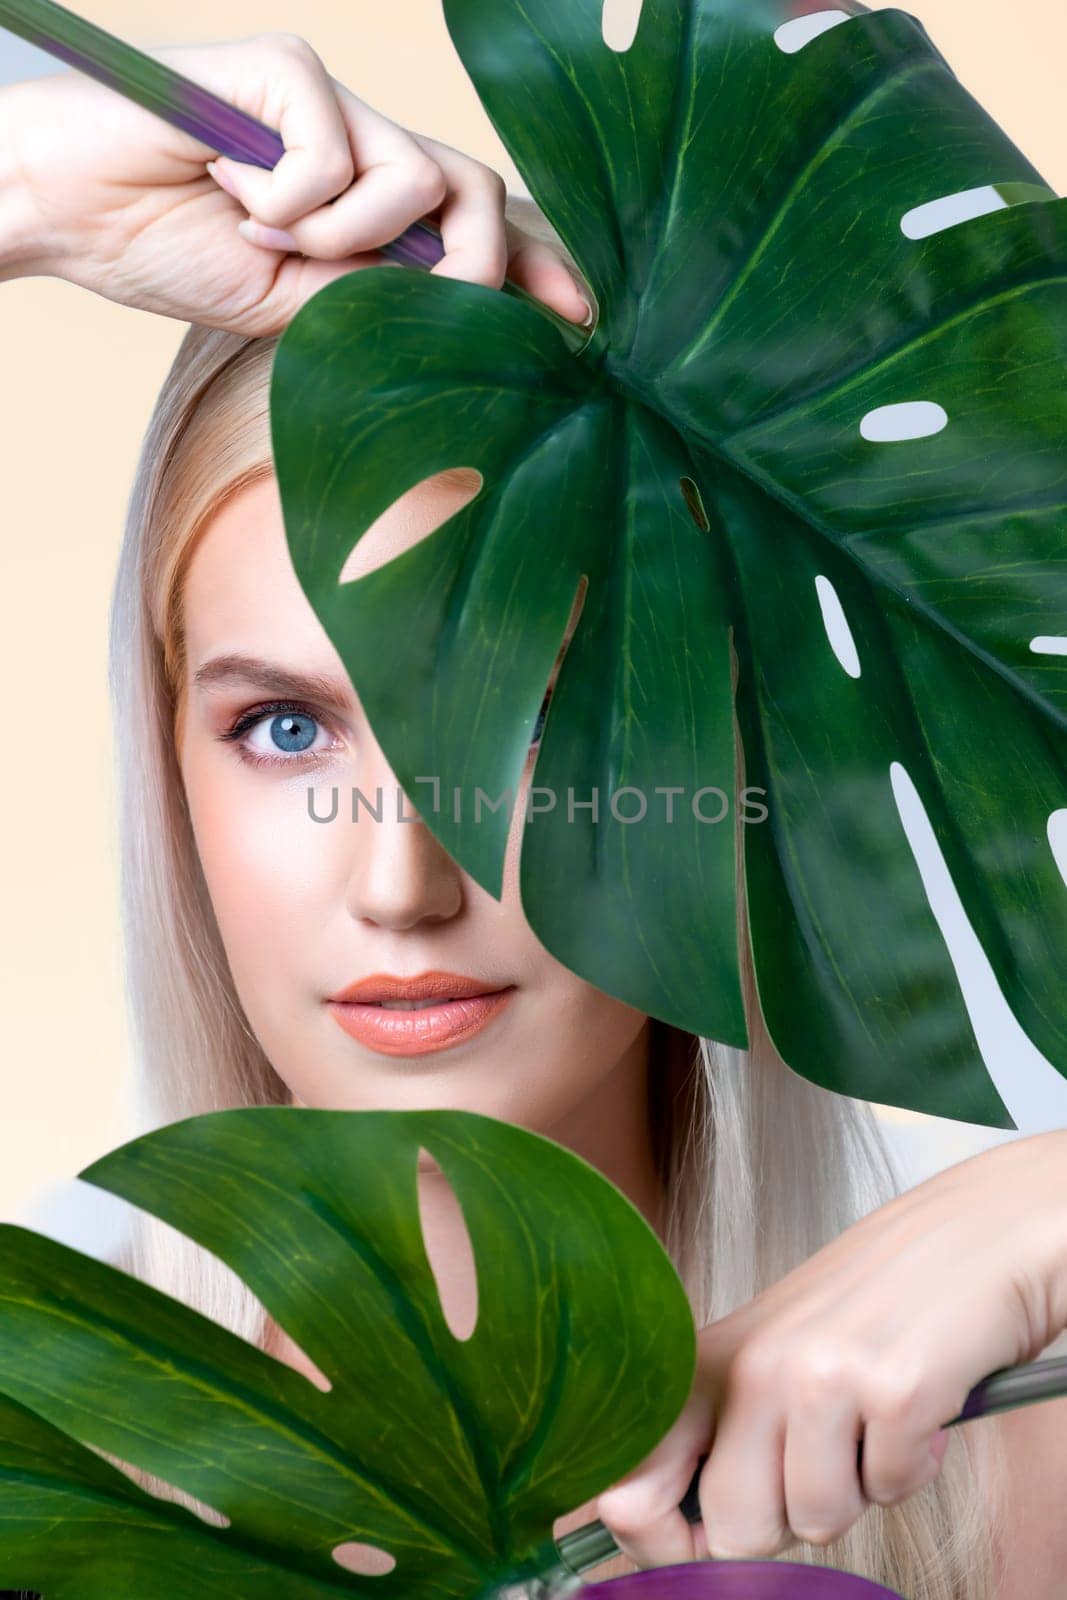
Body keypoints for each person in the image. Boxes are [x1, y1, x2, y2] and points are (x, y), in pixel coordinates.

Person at [2, 33, 1066, 1600]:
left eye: (537, 711)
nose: (399, 878)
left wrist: (1045, 1213)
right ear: (170, 754)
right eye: (286, 728)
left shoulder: (1011, 1450)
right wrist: (28, 184)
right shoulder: (40, 1442)